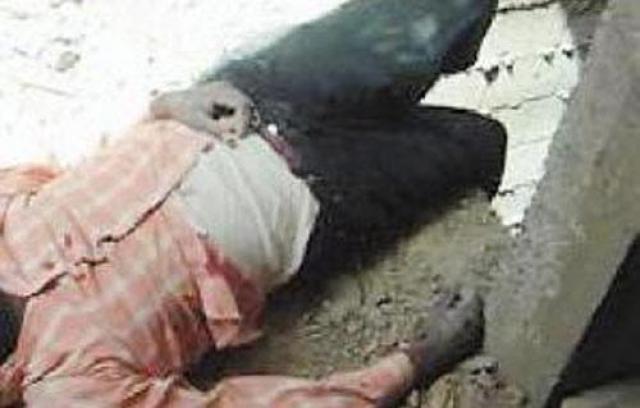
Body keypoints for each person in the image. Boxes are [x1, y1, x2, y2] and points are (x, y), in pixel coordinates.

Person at [0, 0, 505, 405]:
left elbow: (69, 171)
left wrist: (164, 106)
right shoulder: (69, 388)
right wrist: (417, 361)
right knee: (483, 140)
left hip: (259, 89)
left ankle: (439, 55)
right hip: (324, 188)